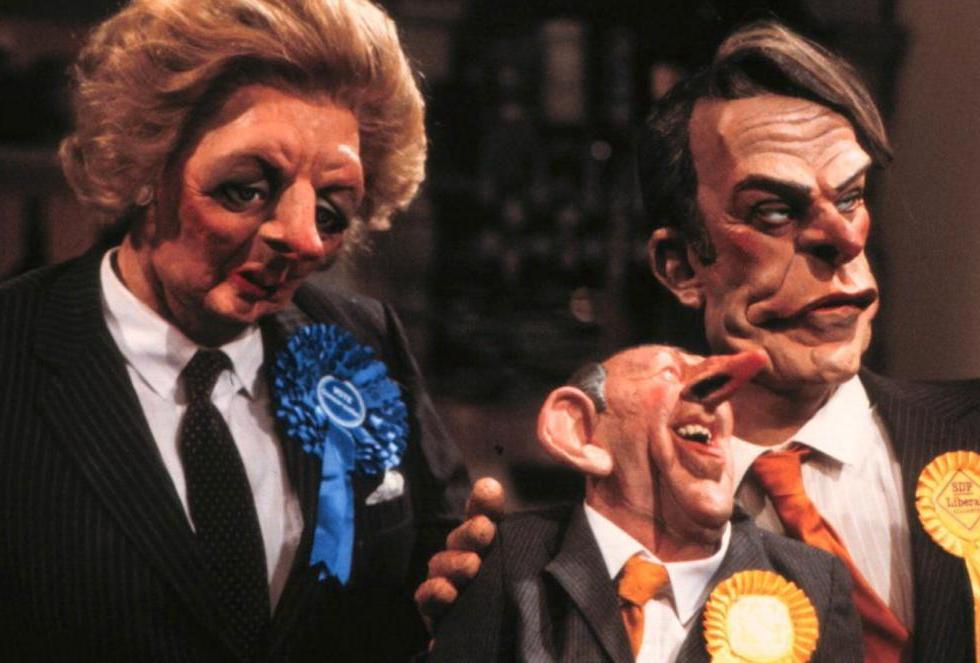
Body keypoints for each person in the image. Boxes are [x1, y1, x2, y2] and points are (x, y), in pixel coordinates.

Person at [0, 0, 469, 661]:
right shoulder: (13, 350)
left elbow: (437, 557)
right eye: (246, 189)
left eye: (331, 212)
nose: (304, 240)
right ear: (144, 167)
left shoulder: (361, 340)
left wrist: (452, 601)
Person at [639, 21, 980, 663]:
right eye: (773, 210)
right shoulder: (617, 525)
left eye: (850, 197)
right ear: (681, 266)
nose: (842, 240)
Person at [429, 345, 863, 662]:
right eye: (670, 372)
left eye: (727, 394)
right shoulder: (511, 559)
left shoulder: (813, 584)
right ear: (581, 432)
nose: (716, 394)